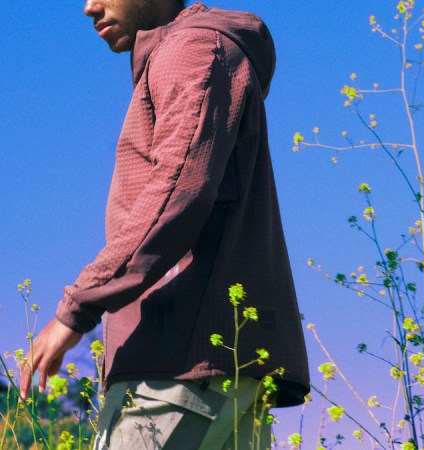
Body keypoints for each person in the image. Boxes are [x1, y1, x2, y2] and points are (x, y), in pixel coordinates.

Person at [20, 1, 310, 448]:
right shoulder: (197, 50)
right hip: (212, 366)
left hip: (180, 367)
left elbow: (179, 188)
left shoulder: (192, 48)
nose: (88, 7)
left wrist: (77, 307)